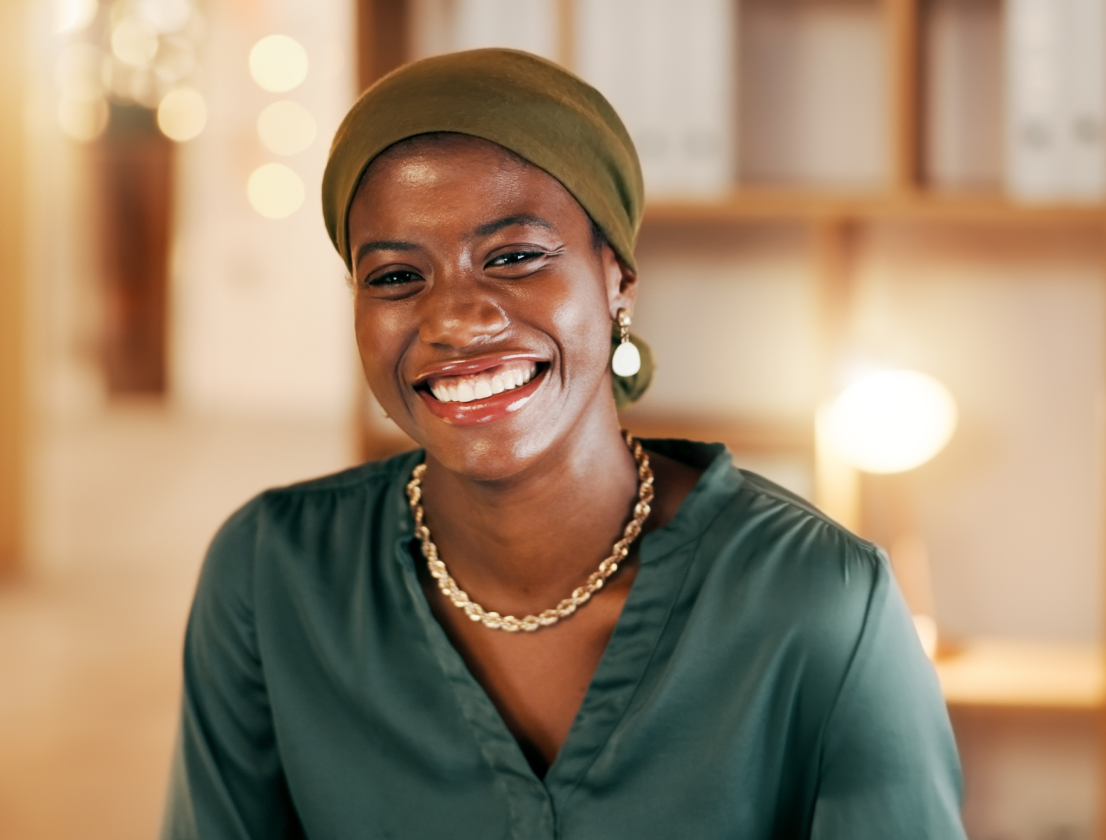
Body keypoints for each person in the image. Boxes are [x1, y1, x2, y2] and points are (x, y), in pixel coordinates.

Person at [161, 48, 965, 839]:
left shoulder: (822, 600)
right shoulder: (272, 576)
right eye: (397, 277)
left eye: (514, 257)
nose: (454, 318)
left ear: (617, 279)